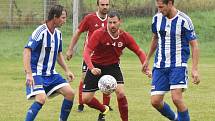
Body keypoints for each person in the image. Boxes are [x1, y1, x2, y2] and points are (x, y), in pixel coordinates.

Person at [82, 11, 150, 121]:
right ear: (107, 23)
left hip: (112, 67)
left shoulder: (125, 36)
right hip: (96, 66)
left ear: (120, 22)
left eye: (114, 22)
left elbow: (139, 51)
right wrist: (91, 68)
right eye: (109, 22)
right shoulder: (99, 33)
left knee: (121, 93)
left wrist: (145, 67)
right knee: (85, 99)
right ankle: (103, 109)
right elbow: (87, 51)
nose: (112, 25)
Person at [142, 0, 200, 121]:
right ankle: (175, 118)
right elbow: (155, 38)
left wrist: (194, 69)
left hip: (178, 64)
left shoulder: (184, 20)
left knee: (176, 99)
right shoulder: (156, 19)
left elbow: (194, 45)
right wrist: (147, 60)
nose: (159, 10)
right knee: (155, 101)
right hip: (160, 65)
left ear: (170, 3)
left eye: (161, 7)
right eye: (157, 7)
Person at [23, 5, 75, 121]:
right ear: (54, 17)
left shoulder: (58, 34)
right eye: (63, 18)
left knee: (70, 93)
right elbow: (27, 50)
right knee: (41, 99)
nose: (64, 20)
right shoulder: (40, 31)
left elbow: (58, 54)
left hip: (51, 74)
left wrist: (67, 70)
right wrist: (29, 74)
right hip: (36, 73)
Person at [66, 0, 112, 112]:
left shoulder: (111, 20)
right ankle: (81, 104)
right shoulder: (89, 18)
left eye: (107, 5)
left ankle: (106, 105)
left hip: (106, 57)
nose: (105, 7)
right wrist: (70, 49)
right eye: (102, 5)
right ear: (98, 5)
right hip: (90, 56)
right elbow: (78, 32)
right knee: (84, 78)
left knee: (107, 79)